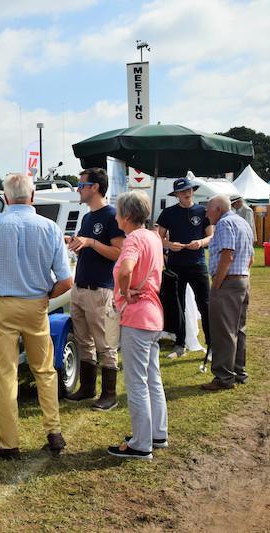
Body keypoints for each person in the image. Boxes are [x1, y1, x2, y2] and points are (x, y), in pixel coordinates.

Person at [0, 172, 73, 459]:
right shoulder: (50, 228)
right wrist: (45, 297)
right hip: (36, 304)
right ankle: (54, 431)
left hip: (1, 305)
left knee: (6, 373)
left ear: (5, 197)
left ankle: (8, 443)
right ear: (32, 196)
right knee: (44, 369)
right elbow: (65, 281)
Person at [107, 191, 167, 460]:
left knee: (136, 382)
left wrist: (125, 290)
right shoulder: (153, 237)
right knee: (152, 378)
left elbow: (125, 269)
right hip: (154, 315)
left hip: (138, 316)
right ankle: (157, 433)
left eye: (118, 212)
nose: (116, 217)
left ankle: (141, 443)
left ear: (127, 216)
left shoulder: (133, 239)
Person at [64, 168, 124, 411]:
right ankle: (88, 388)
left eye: (81, 185)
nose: (78, 189)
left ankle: (109, 394)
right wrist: (76, 243)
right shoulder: (88, 217)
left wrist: (90, 242)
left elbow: (119, 253)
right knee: (83, 339)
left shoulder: (111, 216)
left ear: (95, 187)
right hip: (80, 287)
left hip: (100, 289)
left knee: (105, 343)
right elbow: (91, 248)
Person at [156, 178, 213, 358]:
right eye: (182, 192)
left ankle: (212, 345)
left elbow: (211, 236)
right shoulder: (168, 213)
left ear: (192, 191)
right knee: (177, 305)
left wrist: (201, 242)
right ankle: (179, 343)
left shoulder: (203, 211)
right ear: (177, 195)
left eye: (188, 190)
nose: (186, 194)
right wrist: (169, 245)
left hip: (198, 264)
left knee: (205, 304)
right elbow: (158, 238)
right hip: (175, 266)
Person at [202, 195, 254, 391]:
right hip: (242, 280)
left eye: (208, 210)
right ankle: (239, 371)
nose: (207, 214)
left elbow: (227, 254)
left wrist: (217, 284)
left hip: (228, 282)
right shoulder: (243, 222)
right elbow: (251, 257)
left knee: (223, 331)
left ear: (218, 209)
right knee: (238, 328)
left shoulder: (224, 224)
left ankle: (224, 377)